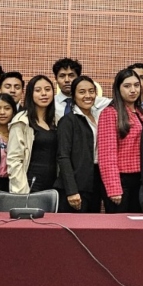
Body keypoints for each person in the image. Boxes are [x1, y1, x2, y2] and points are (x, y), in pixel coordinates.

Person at [98, 68, 143, 212]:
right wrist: (114, 187)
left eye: (136, 85)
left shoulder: (141, 112)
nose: (133, 90)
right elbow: (107, 155)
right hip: (121, 180)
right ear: (118, 88)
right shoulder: (110, 113)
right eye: (127, 86)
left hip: (140, 178)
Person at [57, 76, 105, 212]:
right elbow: (63, 156)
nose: (88, 96)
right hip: (76, 185)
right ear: (73, 95)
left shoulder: (99, 117)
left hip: (95, 182)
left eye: (91, 91)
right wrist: (71, 190)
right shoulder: (68, 121)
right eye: (82, 92)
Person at [7, 75, 60, 193]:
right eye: (38, 90)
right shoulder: (21, 121)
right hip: (30, 184)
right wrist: (21, 190)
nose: (44, 94)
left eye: (47, 89)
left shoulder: (56, 120)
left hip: (54, 185)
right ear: (30, 94)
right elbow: (14, 159)